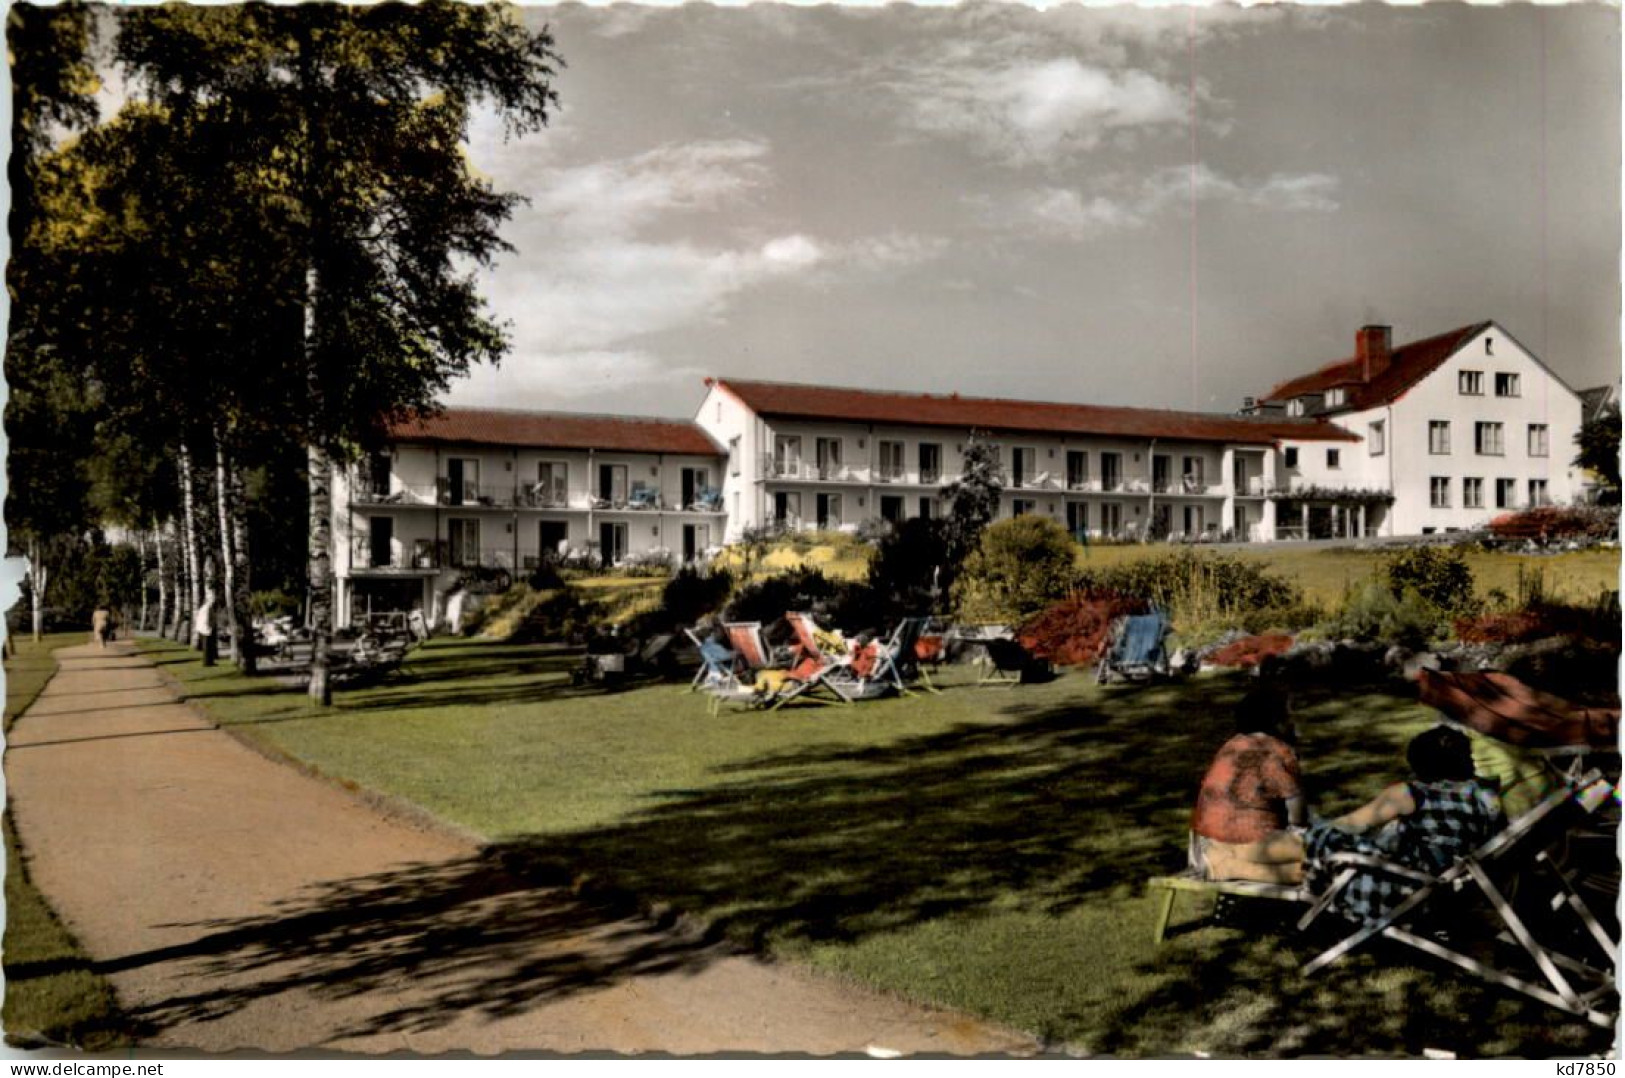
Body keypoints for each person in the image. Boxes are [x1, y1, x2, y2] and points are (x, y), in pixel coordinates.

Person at [1300, 725, 1504, 925]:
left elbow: (1349, 825)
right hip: (1456, 894)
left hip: (1408, 894)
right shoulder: (1485, 795)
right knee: (1309, 853)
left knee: (1316, 842)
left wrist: (1311, 831)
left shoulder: (1415, 793)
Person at [1191, 683, 1308, 884]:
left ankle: (1226, 865)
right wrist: (1299, 828)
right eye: (1289, 715)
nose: (1293, 721)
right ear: (1276, 721)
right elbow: (1297, 811)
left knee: (1305, 863)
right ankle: (1238, 866)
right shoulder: (1278, 751)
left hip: (1206, 840)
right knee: (1322, 852)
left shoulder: (1231, 746)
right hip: (1253, 842)